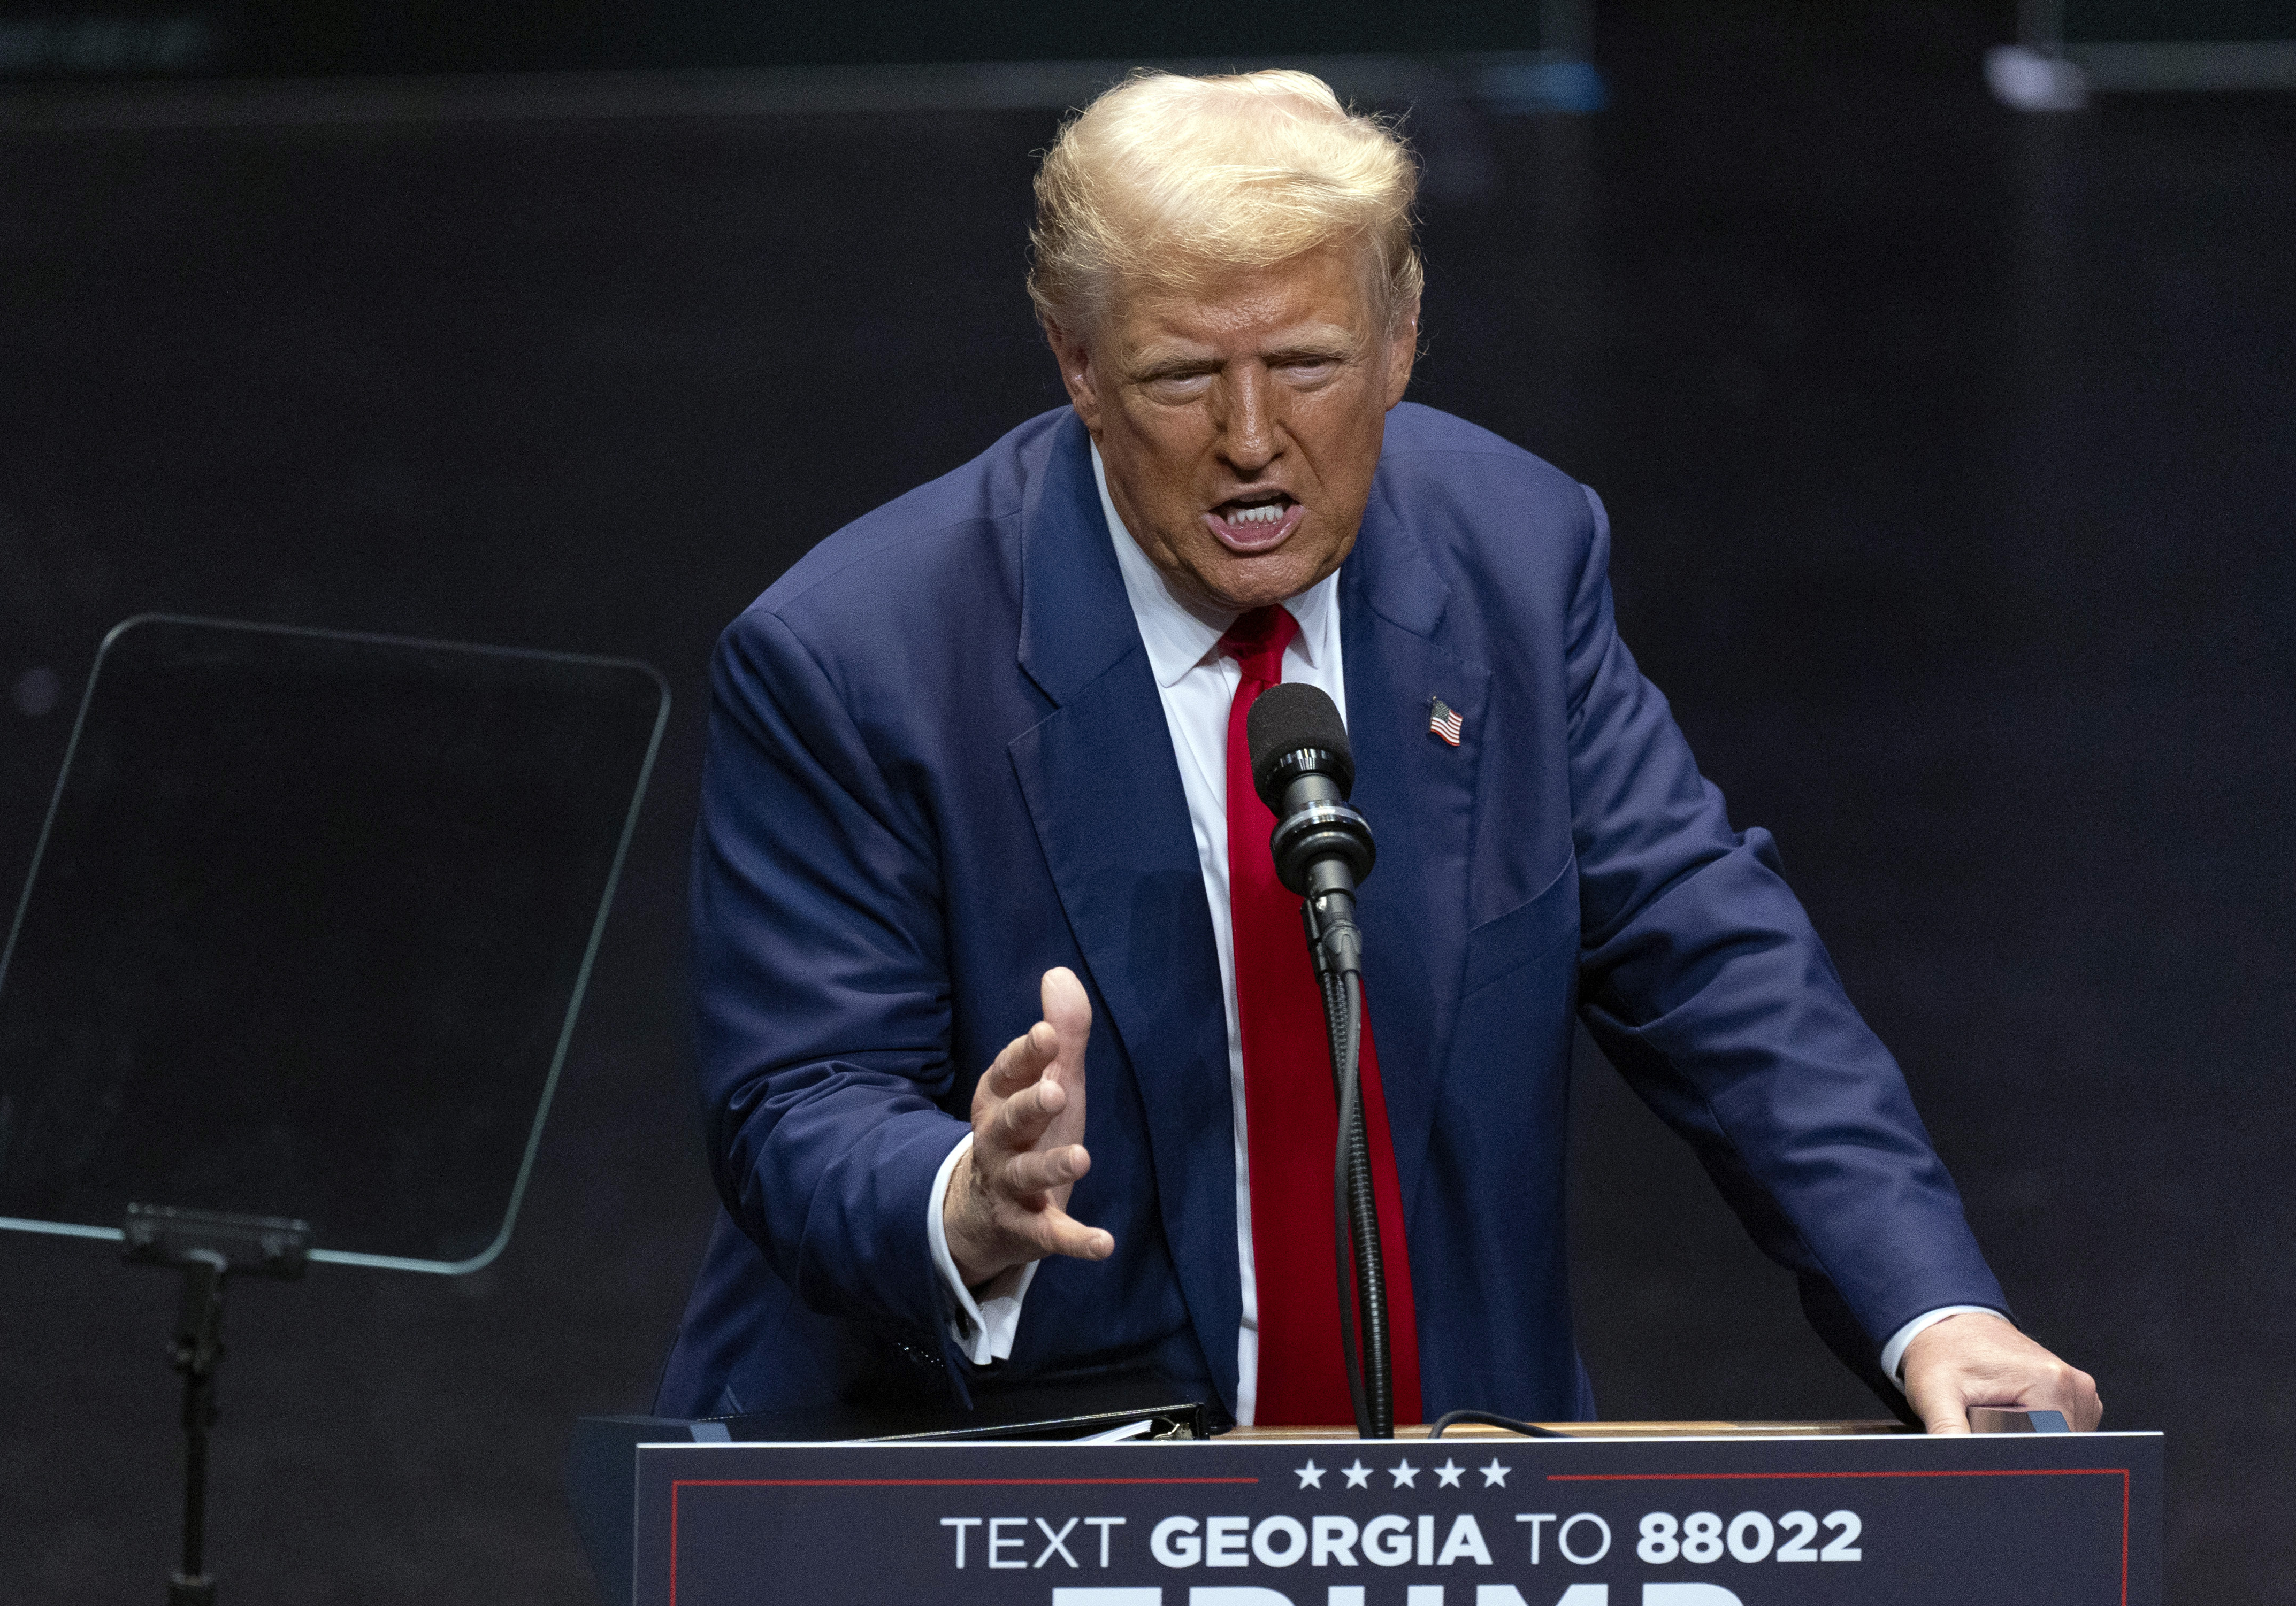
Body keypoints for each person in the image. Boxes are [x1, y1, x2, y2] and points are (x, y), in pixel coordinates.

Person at [655, 68, 2099, 1443]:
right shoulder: (857, 658)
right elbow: (799, 1101)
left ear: (1402, 338)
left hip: (1429, 1517)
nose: (1250, 439)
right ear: (1076, 363)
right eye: (1178, 378)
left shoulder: (1518, 559)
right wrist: (961, 1200)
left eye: (1307, 365)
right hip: (996, 1500)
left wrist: (1936, 1308)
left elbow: (1713, 959)